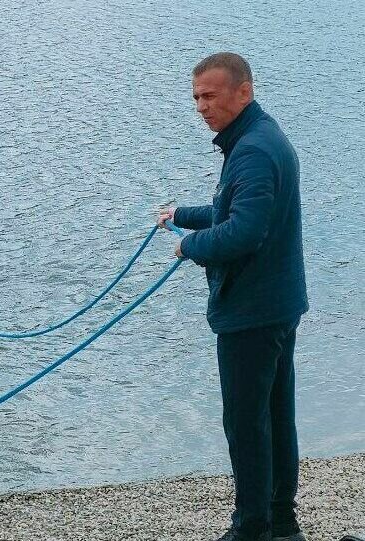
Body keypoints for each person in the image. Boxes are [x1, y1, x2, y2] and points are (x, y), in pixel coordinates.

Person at [158, 53, 308, 541]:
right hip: (276, 306)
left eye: (210, 96)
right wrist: (183, 214)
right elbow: (230, 208)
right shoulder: (256, 139)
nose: (201, 106)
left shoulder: (253, 151)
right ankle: (282, 525)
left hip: (253, 311)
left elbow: (245, 232)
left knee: (247, 426)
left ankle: (251, 529)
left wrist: (188, 245)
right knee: (274, 417)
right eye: (196, 97)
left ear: (243, 92)